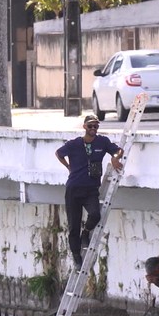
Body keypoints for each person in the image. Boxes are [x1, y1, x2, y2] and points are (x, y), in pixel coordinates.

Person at [55, 114, 124, 267]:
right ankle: (76, 256)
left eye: (96, 126)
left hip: (91, 189)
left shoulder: (102, 141)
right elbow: (58, 153)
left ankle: (85, 232)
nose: (93, 128)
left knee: (95, 214)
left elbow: (119, 150)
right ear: (84, 126)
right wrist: (68, 166)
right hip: (73, 189)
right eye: (90, 126)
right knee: (73, 225)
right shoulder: (74, 144)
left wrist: (114, 158)